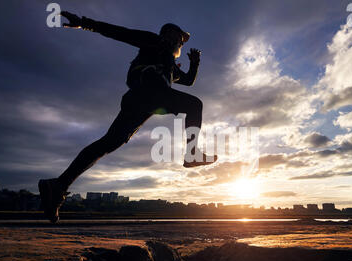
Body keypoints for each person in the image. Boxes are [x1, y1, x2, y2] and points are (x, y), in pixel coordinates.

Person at [38, 11, 217, 223]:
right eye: (180, 39)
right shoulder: (154, 42)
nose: (181, 44)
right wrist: (84, 23)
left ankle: (58, 186)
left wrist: (195, 64)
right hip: (148, 91)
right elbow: (121, 33)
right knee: (194, 105)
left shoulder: (170, 65)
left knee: (109, 142)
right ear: (170, 36)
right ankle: (192, 153)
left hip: (141, 102)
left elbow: (187, 81)